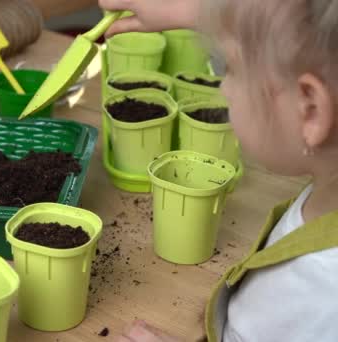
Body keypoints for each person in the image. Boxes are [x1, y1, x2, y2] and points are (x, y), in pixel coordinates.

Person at [98, 0, 338, 341]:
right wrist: (197, 12)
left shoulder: (319, 293)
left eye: (231, 67)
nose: (223, 87)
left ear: (310, 108)